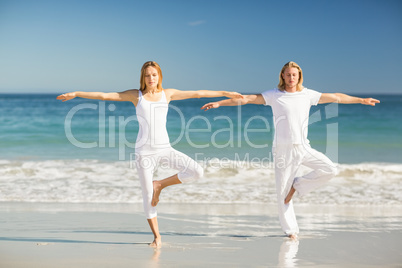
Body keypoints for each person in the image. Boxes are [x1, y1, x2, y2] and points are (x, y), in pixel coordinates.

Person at [57, 61, 243, 247]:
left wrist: (225, 93)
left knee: (196, 171)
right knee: (147, 195)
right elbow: (106, 96)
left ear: (159, 76)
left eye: (154, 74)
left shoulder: (167, 94)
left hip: (165, 149)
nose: (151, 78)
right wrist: (76, 93)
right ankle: (157, 237)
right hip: (144, 153)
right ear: (142, 77)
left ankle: (160, 184)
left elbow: (198, 93)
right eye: (147, 75)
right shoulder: (136, 96)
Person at [201, 61, 380, 239]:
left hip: (303, 146)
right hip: (282, 149)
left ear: (299, 76)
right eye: (288, 74)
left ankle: (298, 184)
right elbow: (246, 99)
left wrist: (361, 100)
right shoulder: (274, 95)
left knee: (330, 169)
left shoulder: (307, 94)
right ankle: (291, 231)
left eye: (294, 74)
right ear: (282, 76)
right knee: (282, 194)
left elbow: (336, 97)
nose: (291, 77)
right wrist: (219, 103)